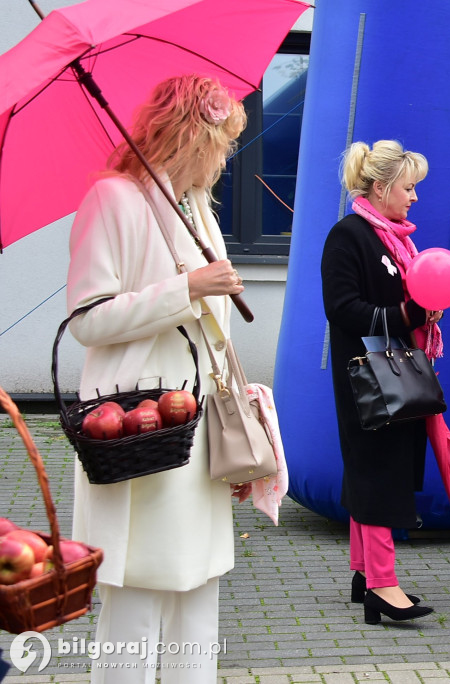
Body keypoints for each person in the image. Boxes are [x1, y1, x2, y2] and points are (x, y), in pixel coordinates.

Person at [66, 75, 251, 683]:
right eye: (222, 141)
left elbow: (210, 335)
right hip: (138, 428)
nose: (226, 157)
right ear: (194, 136)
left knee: (199, 588)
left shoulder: (196, 205)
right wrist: (187, 289)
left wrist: (240, 437)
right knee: (139, 592)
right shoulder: (112, 199)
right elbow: (87, 320)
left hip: (196, 428)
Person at [321, 140, 439, 625]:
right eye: (409, 188)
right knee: (377, 472)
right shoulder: (347, 236)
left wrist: (421, 310)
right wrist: (406, 312)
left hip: (389, 370)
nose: (414, 198)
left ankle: (362, 574)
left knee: (371, 468)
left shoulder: (392, 238)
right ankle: (383, 587)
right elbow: (342, 308)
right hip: (365, 376)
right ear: (381, 186)